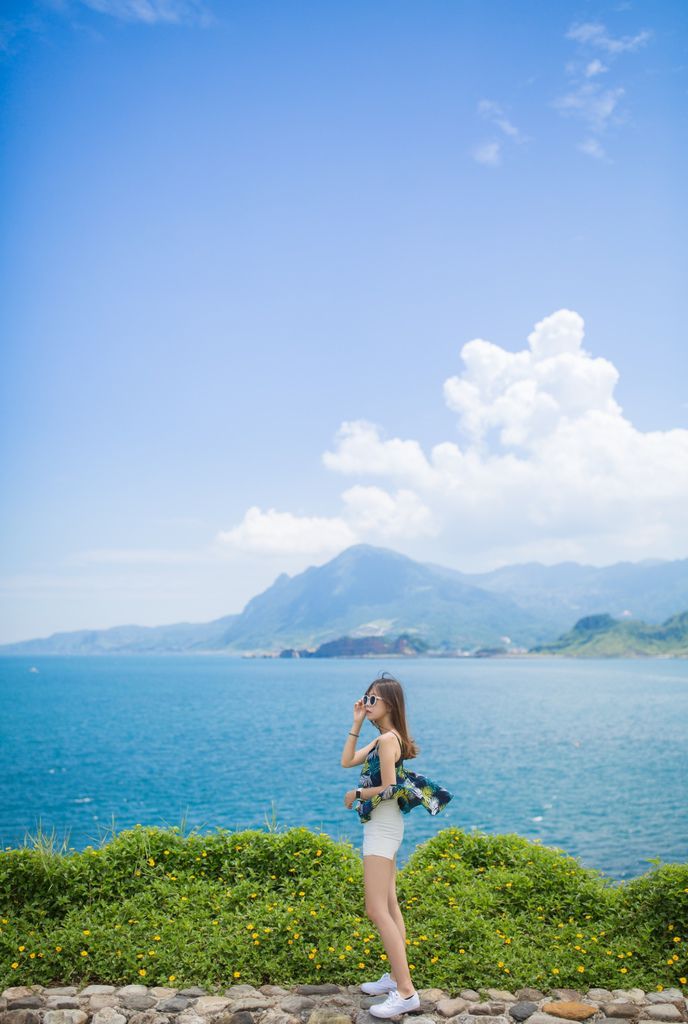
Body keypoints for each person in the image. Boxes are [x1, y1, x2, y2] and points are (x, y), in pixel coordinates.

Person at [341, 672, 453, 1019]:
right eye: (366, 697)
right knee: (390, 904)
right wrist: (357, 722)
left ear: (390, 702)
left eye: (373, 699)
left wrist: (357, 794)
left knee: (376, 909)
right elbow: (346, 761)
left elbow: (390, 787)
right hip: (383, 825)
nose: (367, 702)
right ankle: (394, 979)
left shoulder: (389, 740)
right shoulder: (382, 740)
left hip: (383, 828)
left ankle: (405, 992)